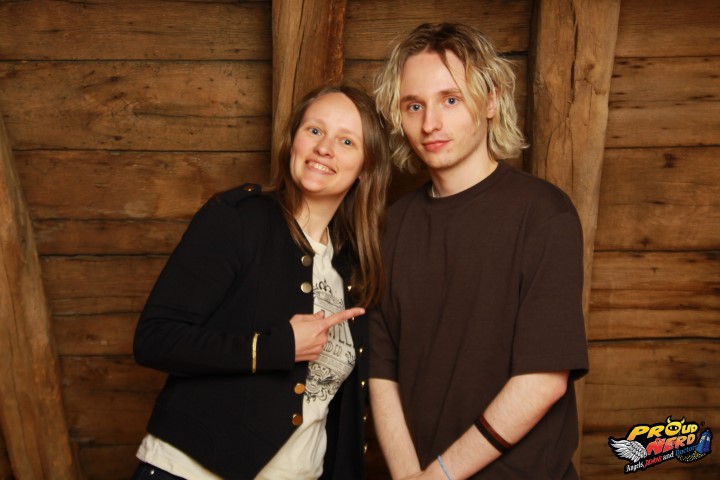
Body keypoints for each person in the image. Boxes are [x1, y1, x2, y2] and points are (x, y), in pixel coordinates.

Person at [132, 84, 391, 479]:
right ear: (293, 141)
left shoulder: (355, 268)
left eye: (346, 141)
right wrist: (276, 347)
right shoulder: (238, 219)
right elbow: (155, 339)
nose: (325, 148)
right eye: (315, 131)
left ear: (365, 166)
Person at [369, 23, 589, 479]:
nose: (430, 123)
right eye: (414, 105)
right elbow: (380, 371)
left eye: (450, 100)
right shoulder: (390, 227)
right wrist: (411, 476)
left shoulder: (544, 213)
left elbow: (544, 380)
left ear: (490, 101)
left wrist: (441, 476)